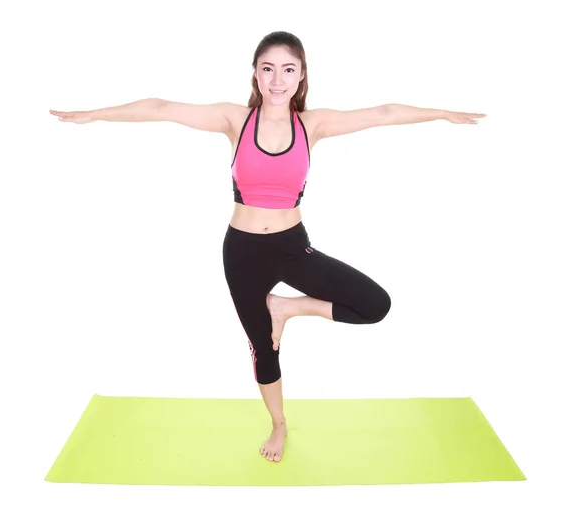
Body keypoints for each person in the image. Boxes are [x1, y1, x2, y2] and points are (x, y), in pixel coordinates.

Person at [50, 30, 486, 464]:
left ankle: (289, 307)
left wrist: (444, 113)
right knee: (264, 349)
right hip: (241, 253)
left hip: (293, 248)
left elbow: (384, 113)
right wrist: (94, 114)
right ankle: (279, 423)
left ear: (301, 77)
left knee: (375, 305)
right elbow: (161, 108)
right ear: (256, 74)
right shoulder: (235, 120)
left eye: (288, 70)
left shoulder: (312, 125)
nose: (277, 80)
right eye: (268, 69)